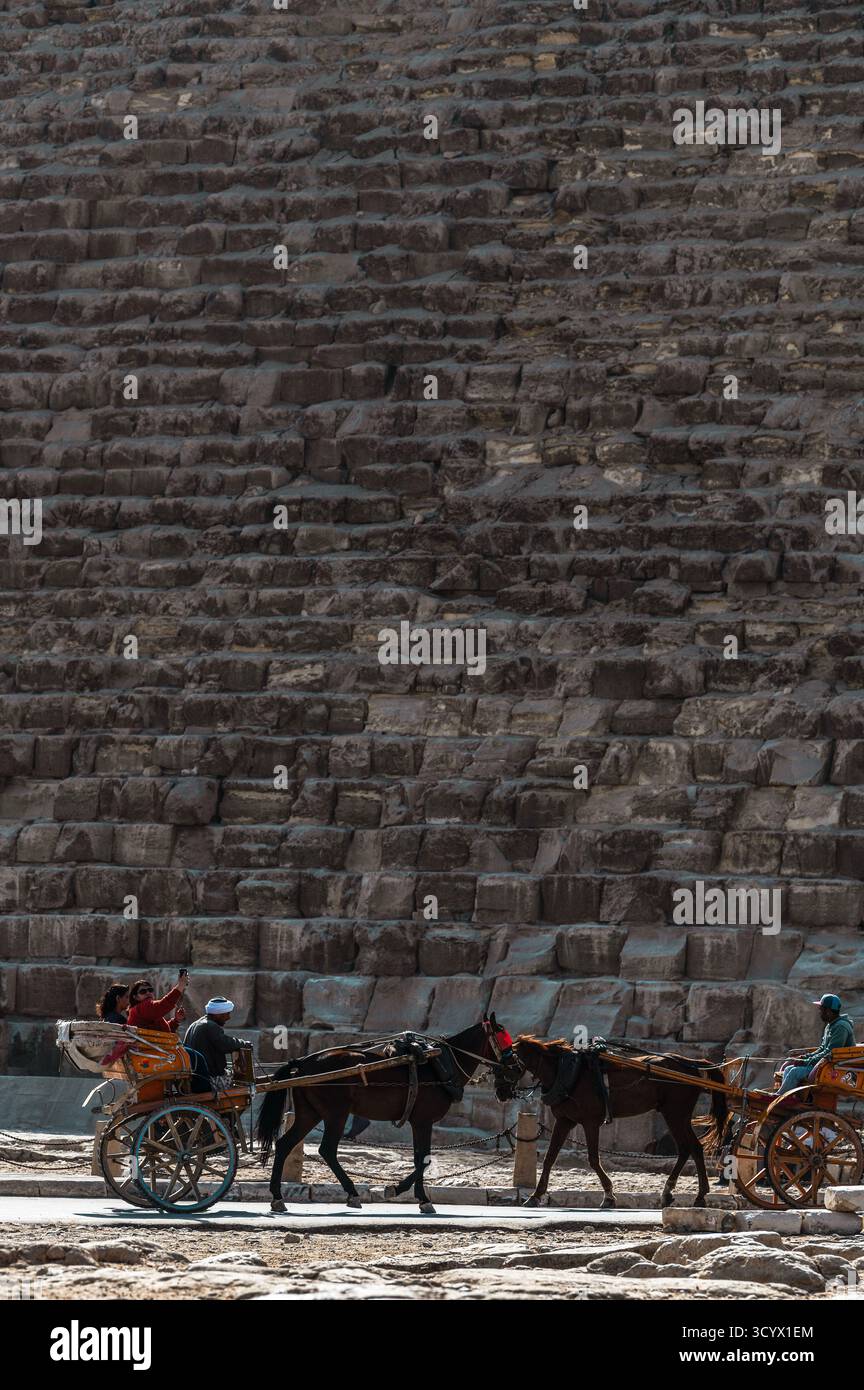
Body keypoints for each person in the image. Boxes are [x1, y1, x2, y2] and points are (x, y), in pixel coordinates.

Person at [777, 994, 856, 1094]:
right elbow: (822, 1048)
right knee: (788, 1068)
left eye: (821, 1009)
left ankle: (779, 1097)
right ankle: (790, 1096)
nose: (819, 1012)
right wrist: (804, 1057)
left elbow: (830, 1052)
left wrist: (806, 1061)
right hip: (824, 1063)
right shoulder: (831, 1025)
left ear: (828, 1011)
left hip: (831, 1066)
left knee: (794, 1072)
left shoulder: (841, 1027)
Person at [183, 997, 250, 1093]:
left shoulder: (194, 1024)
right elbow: (226, 1044)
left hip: (195, 1077)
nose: (228, 1017)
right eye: (227, 1014)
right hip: (209, 1078)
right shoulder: (210, 1026)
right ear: (217, 1015)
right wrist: (244, 1044)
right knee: (243, 1085)